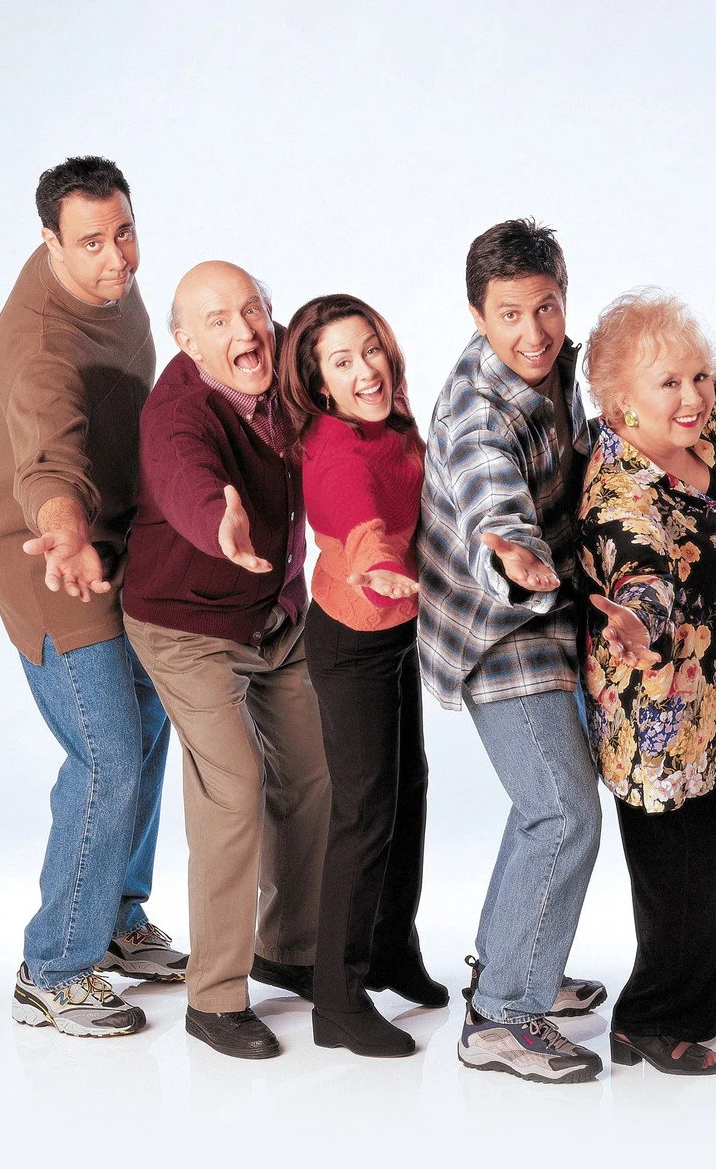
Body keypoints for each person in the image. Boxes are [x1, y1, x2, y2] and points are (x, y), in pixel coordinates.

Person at [0, 156, 184, 1040]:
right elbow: (47, 456)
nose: (117, 258)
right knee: (108, 755)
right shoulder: (38, 346)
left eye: (124, 232)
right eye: (92, 242)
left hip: (118, 538)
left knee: (152, 717)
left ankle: (115, 916)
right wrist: (63, 526)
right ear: (49, 243)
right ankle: (55, 965)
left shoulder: (114, 286)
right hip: (49, 556)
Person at [122, 261, 331, 1060]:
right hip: (187, 624)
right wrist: (219, 522)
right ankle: (214, 998)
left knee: (310, 770)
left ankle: (289, 947)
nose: (245, 332)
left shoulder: (286, 363)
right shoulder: (176, 410)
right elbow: (184, 474)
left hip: (276, 615)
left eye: (253, 311)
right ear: (186, 342)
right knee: (233, 786)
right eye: (218, 322)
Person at [418, 219, 605, 1084]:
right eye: (509, 315)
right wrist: (510, 550)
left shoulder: (557, 361)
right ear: (476, 316)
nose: (534, 333)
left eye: (547, 308)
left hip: (551, 607)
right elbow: (486, 485)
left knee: (546, 804)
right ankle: (500, 1018)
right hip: (498, 626)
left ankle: (515, 966)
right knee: (562, 812)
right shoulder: (475, 409)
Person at [578, 290, 716, 1075]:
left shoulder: (698, 433)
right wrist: (637, 619)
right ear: (621, 401)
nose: (693, 397)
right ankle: (648, 1020)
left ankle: (707, 999)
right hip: (663, 723)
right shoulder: (621, 492)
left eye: (697, 378)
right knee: (682, 878)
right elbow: (641, 571)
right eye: (669, 384)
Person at [278, 293, 447, 1059]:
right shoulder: (336, 449)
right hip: (352, 640)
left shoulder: (391, 419)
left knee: (407, 792)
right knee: (365, 813)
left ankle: (389, 953)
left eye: (370, 349)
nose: (365, 370)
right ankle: (337, 1002)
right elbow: (359, 518)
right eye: (342, 362)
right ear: (319, 385)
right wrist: (377, 562)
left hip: (398, 629)